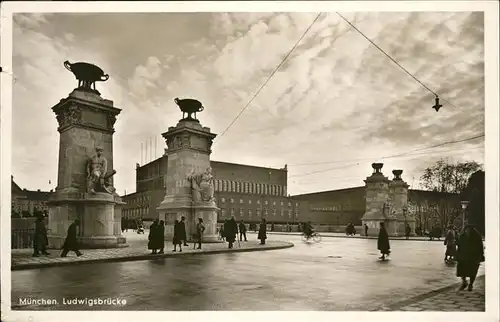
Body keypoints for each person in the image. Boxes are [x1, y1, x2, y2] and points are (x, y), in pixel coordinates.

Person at [456, 225, 484, 291]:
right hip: (463, 256)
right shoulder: (462, 236)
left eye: (469, 229)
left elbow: (480, 247)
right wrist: (457, 255)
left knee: (472, 271)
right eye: (466, 229)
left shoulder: (477, 236)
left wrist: (480, 256)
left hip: (473, 257)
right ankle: (464, 282)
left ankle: (471, 284)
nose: (467, 231)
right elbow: (459, 246)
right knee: (461, 270)